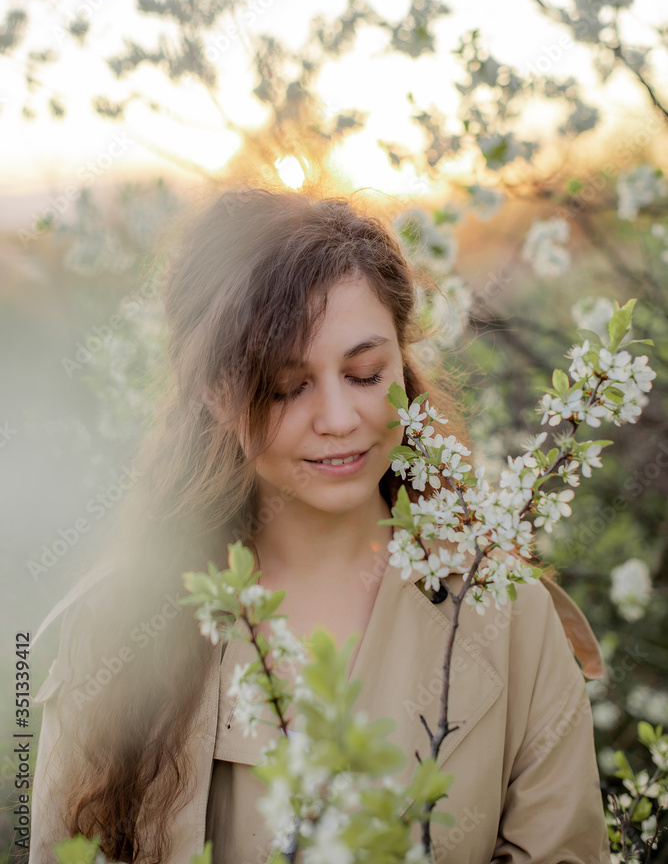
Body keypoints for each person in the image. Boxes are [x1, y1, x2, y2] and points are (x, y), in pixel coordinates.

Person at [29, 189, 611, 864]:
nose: (339, 418)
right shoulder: (117, 627)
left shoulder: (508, 615)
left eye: (366, 374)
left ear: (403, 360)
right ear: (215, 394)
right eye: (286, 387)